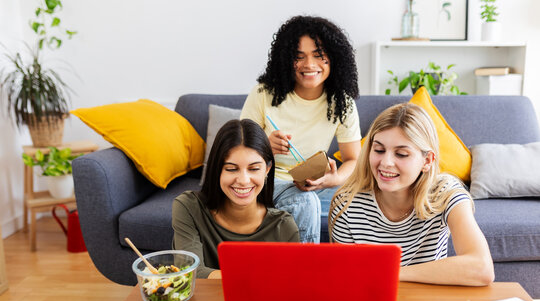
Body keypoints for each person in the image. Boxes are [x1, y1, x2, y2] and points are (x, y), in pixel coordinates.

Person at [329, 103, 494, 286]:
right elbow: (347, 279)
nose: (386, 162)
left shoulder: (446, 193)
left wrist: (390, 272)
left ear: (427, 160)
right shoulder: (347, 203)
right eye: (379, 150)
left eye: (401, 154)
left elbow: (482, 268)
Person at [241, 15, 361, 244]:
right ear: (287, 60)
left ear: (333, 59)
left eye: (319, 56)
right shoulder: (263, 94)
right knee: (307, 203)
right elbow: (238, 149)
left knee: (367, 204)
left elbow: (353, 160)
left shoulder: (342, 104)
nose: (309, 65)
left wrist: (331, 180)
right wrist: (264, 145)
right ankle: (306, 274)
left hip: (314, 184)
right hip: (267, 182)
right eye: (299, 57)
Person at [172, 119, 300, 279]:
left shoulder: (283, 226)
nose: (244, 180)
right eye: (231, 169)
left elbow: (291, 284)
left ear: (267, 169)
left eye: (254, 169)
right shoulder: (188, 207)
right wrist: (258, 278)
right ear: (217, 169)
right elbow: (189, 271)